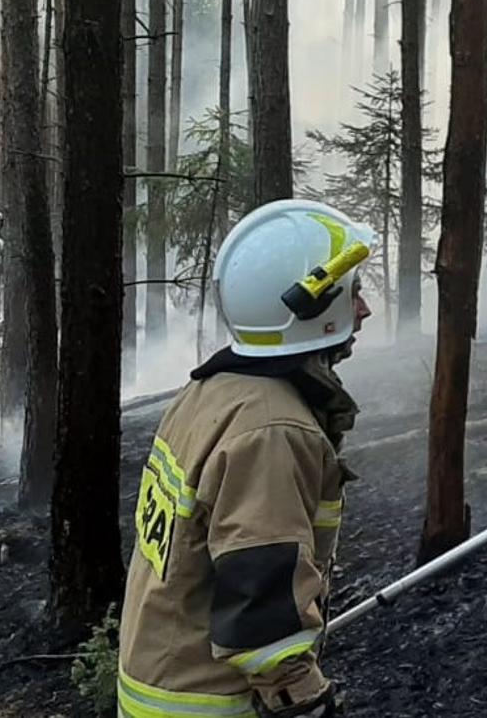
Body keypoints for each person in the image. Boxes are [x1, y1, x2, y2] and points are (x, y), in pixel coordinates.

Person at [118, 199, 377, 718]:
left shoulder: (211, 393)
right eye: (353, 295)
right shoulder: (271, 431)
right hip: (210, 703)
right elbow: (259, 601)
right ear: (311, 309)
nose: (364, 309)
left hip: (162, 681)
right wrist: (302, 698)